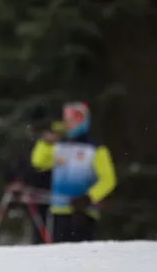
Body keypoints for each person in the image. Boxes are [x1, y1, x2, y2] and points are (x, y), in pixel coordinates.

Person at [30, 102, 117, 242]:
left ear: (82, 121)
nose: (68, 124)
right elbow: (38, 162)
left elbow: (108, 179)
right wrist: (46, 142)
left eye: (72, 120)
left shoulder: (96, 149)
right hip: (60, 210)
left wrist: (89, 197)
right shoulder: (59, 146)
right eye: (66, 121)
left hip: (84, 212)